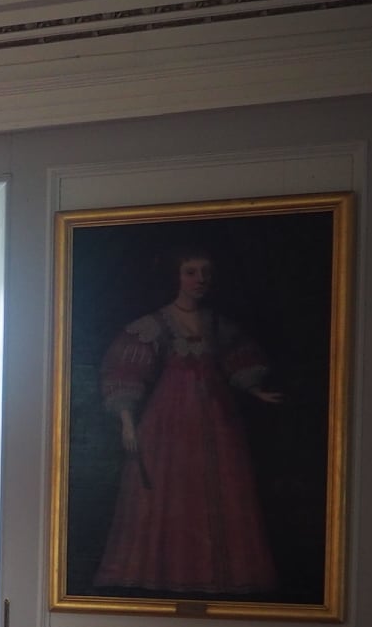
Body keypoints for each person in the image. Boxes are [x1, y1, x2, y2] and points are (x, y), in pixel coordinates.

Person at [93, 247, 281, 595]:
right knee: (170, 490)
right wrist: (127, 421)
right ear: (176, 277)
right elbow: (125, 370)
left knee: (220, 488)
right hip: (169, 423)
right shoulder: (156, 324)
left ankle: (218, 575)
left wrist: (256, 391)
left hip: (217, 418)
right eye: (191, 272)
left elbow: (236, 358)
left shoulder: (215, 323)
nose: (200, 279)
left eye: (205, 272)